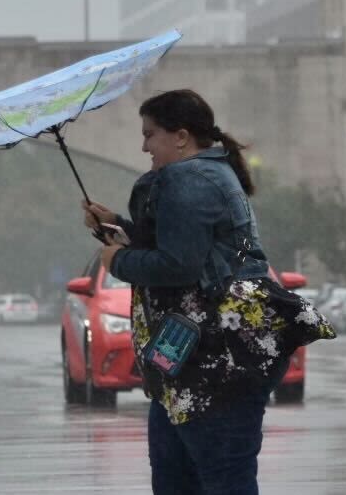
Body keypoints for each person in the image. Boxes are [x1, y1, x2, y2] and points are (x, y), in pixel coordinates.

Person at [82, 89, 289, 494]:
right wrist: (117, 228)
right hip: (190, 362)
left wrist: (116, 262)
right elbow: (185, 246)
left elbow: (179, 265)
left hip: (210, 365)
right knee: (192, 479)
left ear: (180, 136)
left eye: (150, 134)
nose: (144, 146)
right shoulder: (207, 174)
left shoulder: (188, 179)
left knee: (216, 481)